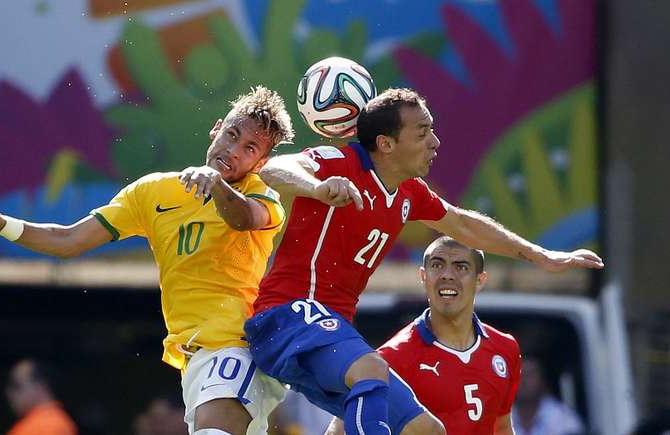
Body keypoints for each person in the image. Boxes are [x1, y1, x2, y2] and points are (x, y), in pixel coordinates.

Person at [244, 88, 603, 435]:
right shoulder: (341, 163)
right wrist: (316, 187)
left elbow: (463, 224)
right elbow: (276, 168)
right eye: (423, 132)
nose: (435, 142)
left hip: (328, 332)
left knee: (425, 428)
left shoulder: (409, 192)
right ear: (386, 144)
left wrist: (539, 254)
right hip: (287, 316)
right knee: (371, 368)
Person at [0, 86, 295, 435]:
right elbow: (69, 240)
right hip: (194, 358)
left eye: (249, 149)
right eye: (232, 135)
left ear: (260, 163)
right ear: (216, 128)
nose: (234, 151)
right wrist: (2, 224)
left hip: (238, 346)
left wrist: (216, 185)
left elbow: (242, 218)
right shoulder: (152, 192)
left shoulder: (260, 194)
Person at [325, 236, 521, 435]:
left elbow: (502, 427)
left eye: (460, 267)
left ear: (480, 280)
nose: (447, 275)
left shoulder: (505, 348)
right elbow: (338, 430)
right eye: (437, 265)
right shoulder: (391, 358)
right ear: (423, 276)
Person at [511, 356, 584, 435]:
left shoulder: (564, 418)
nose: (524, 381)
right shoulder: (499, 419)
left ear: (542, 381)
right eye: (519, 374)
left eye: (530, 374)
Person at [5, 359, 77, 435]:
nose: (9, 394)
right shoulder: (44, 422)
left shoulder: (48, 425)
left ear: (40, 386)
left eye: (17, 386)